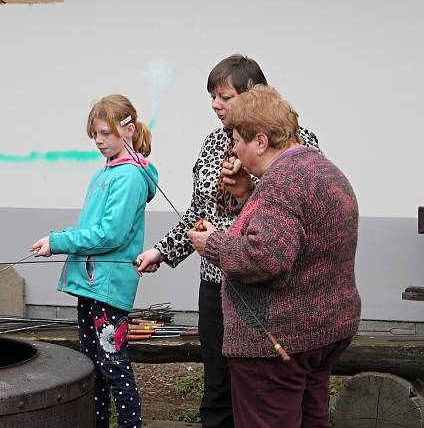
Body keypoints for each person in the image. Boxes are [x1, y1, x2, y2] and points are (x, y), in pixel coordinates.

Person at [136, 55, 319, 428]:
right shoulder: (212, 144)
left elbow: (297, 208)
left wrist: (248, 189)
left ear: (254, 97)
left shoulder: (297, 143)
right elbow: (197, 213)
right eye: (212, 97)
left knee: (264, 385)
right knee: (217, 382)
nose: (215, 105)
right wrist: (162, 250)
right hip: (215, 281)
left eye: (225, 96)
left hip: (264, 287)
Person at [186, 85, 360, 427]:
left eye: (237, 139)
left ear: (261, 142)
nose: (233, 147)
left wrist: (213, 244)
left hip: (277, 342)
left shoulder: (281, 183)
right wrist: (249, 193)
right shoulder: (320, 168)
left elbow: (267, 257)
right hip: (323, 332)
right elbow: (298, 233)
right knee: (311, 418)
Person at [31, 94, 157, 428]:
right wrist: (58, 241)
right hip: (91, 285)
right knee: (92, 367)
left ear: (128, 130)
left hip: (108, 288)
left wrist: (58, 241)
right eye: (95, 135)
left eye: (105, 133)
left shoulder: (129, 176)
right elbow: (93, 228)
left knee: (114, 368)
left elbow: (109, 235)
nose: (99, 141)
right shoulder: (107, 171)